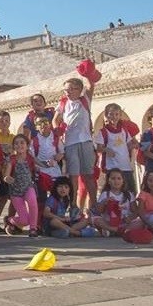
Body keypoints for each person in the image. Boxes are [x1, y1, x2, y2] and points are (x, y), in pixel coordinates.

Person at [52, 76, 97, 211]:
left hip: (86, 142)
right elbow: (55, 120)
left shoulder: (85, 99)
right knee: (73, 177)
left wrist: (88, 74)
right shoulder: (63, 103)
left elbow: (91, 85)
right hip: (70, 143)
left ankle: (94, 206)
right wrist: (58, 130)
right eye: (66, 89)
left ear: (79, 89)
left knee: (88, 175)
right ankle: (73, 207)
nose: (68, 92)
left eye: (72, 89)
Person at [94, 103, 139, 195]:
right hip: (112, 167)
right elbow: (99, 148)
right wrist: (107, 150)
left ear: (120, 115)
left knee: (130, 192)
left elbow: (129, 144)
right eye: (111, 114)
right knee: (112, 192)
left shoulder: (124, 131)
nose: (114, 117)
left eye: (116, 114)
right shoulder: (103, 132)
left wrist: (136, 145)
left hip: (126, 166)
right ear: (106, 115)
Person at [2, 134, 39, 237]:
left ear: (27, 145)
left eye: (22, 143)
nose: (19, 145)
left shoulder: (30, 157)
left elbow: (41, 164)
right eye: (16, 143)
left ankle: (33, 228)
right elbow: (6, 175)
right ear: (13, 146)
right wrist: (7, 178)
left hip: (28, 187)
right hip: (16, 192)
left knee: (33, 201)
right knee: (24, 221)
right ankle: (9, 220)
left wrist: (50, 163)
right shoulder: (12, 159)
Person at [91, 169, 134, 236]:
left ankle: (117, 231)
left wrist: (130, 217)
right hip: (109, 222)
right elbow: (99, 211)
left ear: (123, 181)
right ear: (108, 181)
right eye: (113, 178)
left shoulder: (129, 194)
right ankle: (114, 230)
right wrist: (105, 201)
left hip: (124, 222)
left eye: (119, 178)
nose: (116, 181)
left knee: (140, 222)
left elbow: (135, 211)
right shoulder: (105, 194)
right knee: (96, 219)